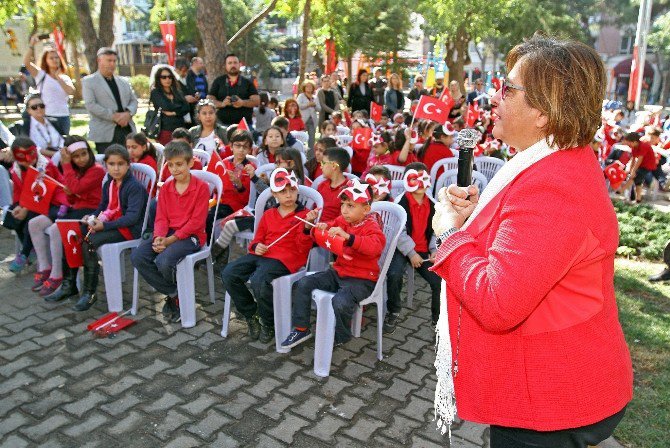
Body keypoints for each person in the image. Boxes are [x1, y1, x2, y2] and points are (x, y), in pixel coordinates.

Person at [430, 35, 632, 447]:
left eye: (507, 88)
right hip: (549, 391)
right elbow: (523, 250)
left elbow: (497, 302)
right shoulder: (555, 163)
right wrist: (474, 223)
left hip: (550, 404)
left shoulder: (553, 186)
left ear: (542, 111)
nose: (494, 97)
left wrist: (450, 234)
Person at [281, 179, 385, 348]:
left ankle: (342, 335)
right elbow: (331, 226)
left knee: (340, 302)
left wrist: (349, 237)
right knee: (303, 283)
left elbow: (375, 246)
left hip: (363, 280)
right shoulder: (343, 220)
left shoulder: (371, 226)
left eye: (350, 206)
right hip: (339, 273)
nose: (344, 210)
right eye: (343, 204)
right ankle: (301, 328)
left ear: (366, 209)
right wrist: (320, 226)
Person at [222, 168, 314, 342]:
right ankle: (252, 313)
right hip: (262, 255)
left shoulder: (304, 216)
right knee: (229, 273)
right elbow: (257, 240)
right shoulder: (269, 214)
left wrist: (307, 227)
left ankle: (268, 322)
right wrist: (256, 246)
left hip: (286, 259)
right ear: (274, 194)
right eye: (282, 191)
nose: (288, 195)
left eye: (292, 190)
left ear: (297, 190)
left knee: (259, 280)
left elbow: (303, 248)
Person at [131, 141, 209, 323]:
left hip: (192, 236)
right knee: (137, 257)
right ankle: (174, 292)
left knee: (164, 260)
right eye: (170, 164)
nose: (174, 169)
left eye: (179, 164)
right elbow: (161, 217)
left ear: (190, 163)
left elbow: (196, 223)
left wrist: (170, 240)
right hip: (167, 233)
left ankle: (175, 298)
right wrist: (159, 237)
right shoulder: (166, 187)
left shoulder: (201, 187)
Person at [75, 145, 148, 311]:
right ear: (105, 165)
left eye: (120, 164)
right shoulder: (109, 182)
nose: (116, 168)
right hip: (115, 223)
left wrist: (104, 226)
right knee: (80, 231)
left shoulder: (133, 186)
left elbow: (132, 217)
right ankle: (84, 275)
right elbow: (103, 205)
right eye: (112, 164)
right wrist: (92, 217)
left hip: (131, 229)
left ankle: (90, 292)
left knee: (90, 240)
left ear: (128, 164)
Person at [35, 137, 105, 300]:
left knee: (59, 230)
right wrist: (70, 194)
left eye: (84, 154)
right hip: (79, 210)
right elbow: (74, 196)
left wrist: (66, 164)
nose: (81, 159)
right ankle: (68, 283)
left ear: (89, 152)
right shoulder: (77, 171)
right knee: (59, 230)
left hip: (93, 211)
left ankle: (67, 282)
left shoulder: (96, 170)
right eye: (76, 156)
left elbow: (75, 188)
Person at [384, 163, 440, 333]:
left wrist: (434, 250)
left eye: (424, 178)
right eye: (415, 178)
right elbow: (398, 232)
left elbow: (436, 231)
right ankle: (393, 310)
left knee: (438, 281)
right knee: (394, 274)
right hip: (401, 249)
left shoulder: (432, 205)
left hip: (423, 250)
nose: (420, 183)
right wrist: (411, 252)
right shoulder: (400, 204)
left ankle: (437, 320)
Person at [3, 137, 68, 274]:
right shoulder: (16, 169)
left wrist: (25, 208)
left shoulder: (45, 167)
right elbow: (18, 191)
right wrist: (18, 206)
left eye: (31, 154)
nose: (28, 159)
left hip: (51, 202)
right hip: (29, 201)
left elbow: (42, 194)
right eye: (21, 156)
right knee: (11, 215)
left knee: (30, 217)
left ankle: (25, 252)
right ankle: (30, 248)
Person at [82, 48, 138, 153]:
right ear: (99, 60)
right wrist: (114, 117)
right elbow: (91, 105)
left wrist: (128, 114)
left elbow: (134, 100)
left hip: (127, 129)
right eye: (109, 60)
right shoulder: (89, 81)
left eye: (114, 61)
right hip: (105, 132)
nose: (112, 64)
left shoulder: (124, 81)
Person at [23, 35, 75, 133]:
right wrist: (32, 45)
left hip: (64, 116)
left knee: (63, 144)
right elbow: (26, 63)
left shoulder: (64, 78)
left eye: (56, 58)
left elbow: (70, 91)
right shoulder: (41, 75)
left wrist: (58, 77)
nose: (55, 60)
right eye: (51, 58)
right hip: (47, 116)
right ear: (45, 61)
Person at [208, 53, 260, 126]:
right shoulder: (218, 81)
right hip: (222, 125)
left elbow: (257, 101)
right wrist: (222, 104)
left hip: (243, 125)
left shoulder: (247, 82)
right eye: (230, 63)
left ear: (239, 65)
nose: (233, 65)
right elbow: (209, 100)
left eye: (235, 63)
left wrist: (242, 102)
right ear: (225, 66)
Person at [149, 65, 190, 145]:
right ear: (158, 78)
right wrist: (179, 107)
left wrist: (174, 113)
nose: (167, 79)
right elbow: (166, 107)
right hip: (165, 129)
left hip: (180, 129)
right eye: (163, 77)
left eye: (169, 77)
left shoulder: (177, 91)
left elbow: (186, 107)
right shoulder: (156, 92)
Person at [621, 131, 659, 202]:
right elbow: (633, 159)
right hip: (641, 166)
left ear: (634, 142)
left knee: (633, 177)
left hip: (647, 166)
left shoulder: (643, 146)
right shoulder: (634, 148)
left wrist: (633, 171)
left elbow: (639, 159)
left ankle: (620, 191)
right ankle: (638, 199)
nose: (628, 145)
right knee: (638, 182)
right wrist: (631, 169)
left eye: (629, 143)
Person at [317, 148, 350, 222]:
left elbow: (343, 220)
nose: (321, 166)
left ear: (334, 166)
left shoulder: (349, 190)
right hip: (316, 226)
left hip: (334, 230)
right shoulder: (322, 186)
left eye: (323, 163)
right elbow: (315, 209)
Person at [297, 80, 320, 149]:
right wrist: (308, 105)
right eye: (307, 86)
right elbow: (298, 106)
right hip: (303, 121)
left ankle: (311, 156)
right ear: (304, 87)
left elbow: (319, 109)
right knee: (301, 139)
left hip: (312, 121)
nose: (309, 88)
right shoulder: (301, 96)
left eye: (311, 86)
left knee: (311, 140)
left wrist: (314, 105)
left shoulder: (315, 97)